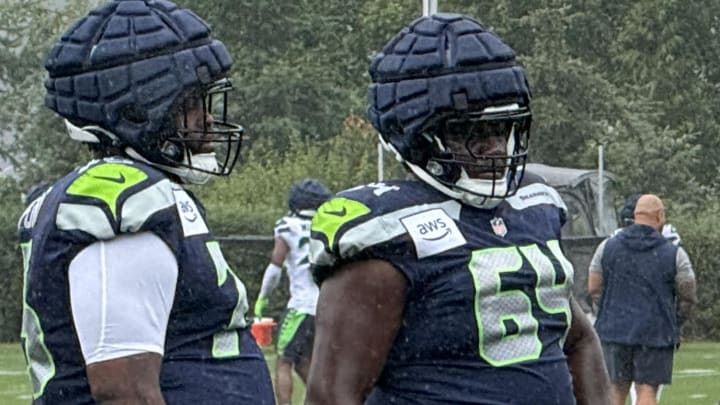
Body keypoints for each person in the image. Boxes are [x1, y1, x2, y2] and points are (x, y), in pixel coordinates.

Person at [305, 13, 610, 405]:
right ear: (418, 135)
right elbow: (330, 396)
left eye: (503, 130)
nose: (496, 149)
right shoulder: (387, 236)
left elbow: (579, 338)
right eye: (473, 134)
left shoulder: (533, 206)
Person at [17, 1, 275, 403]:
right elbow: (124, 392)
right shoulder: (121, 197)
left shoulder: (151, 193)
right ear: (140, 109)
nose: (207, 120)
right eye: (192, 104)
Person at [588, 194, 697, 405]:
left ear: (635, 216)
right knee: (647, 390)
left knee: (615, 390)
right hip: (655, 333)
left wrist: (608, 309)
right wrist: (675, 320)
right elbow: (688, 294)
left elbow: (593, 286)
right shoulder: (674, 253)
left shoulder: (607, 247)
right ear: (660, 217)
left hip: (613, 331)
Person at [254, 179, 331, 405]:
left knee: (284, 361)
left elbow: (275, 267)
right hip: (326, 305)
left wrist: (263, 296)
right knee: (306, 361)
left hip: (301, 305)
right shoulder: (327, 224)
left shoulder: (288, 226)